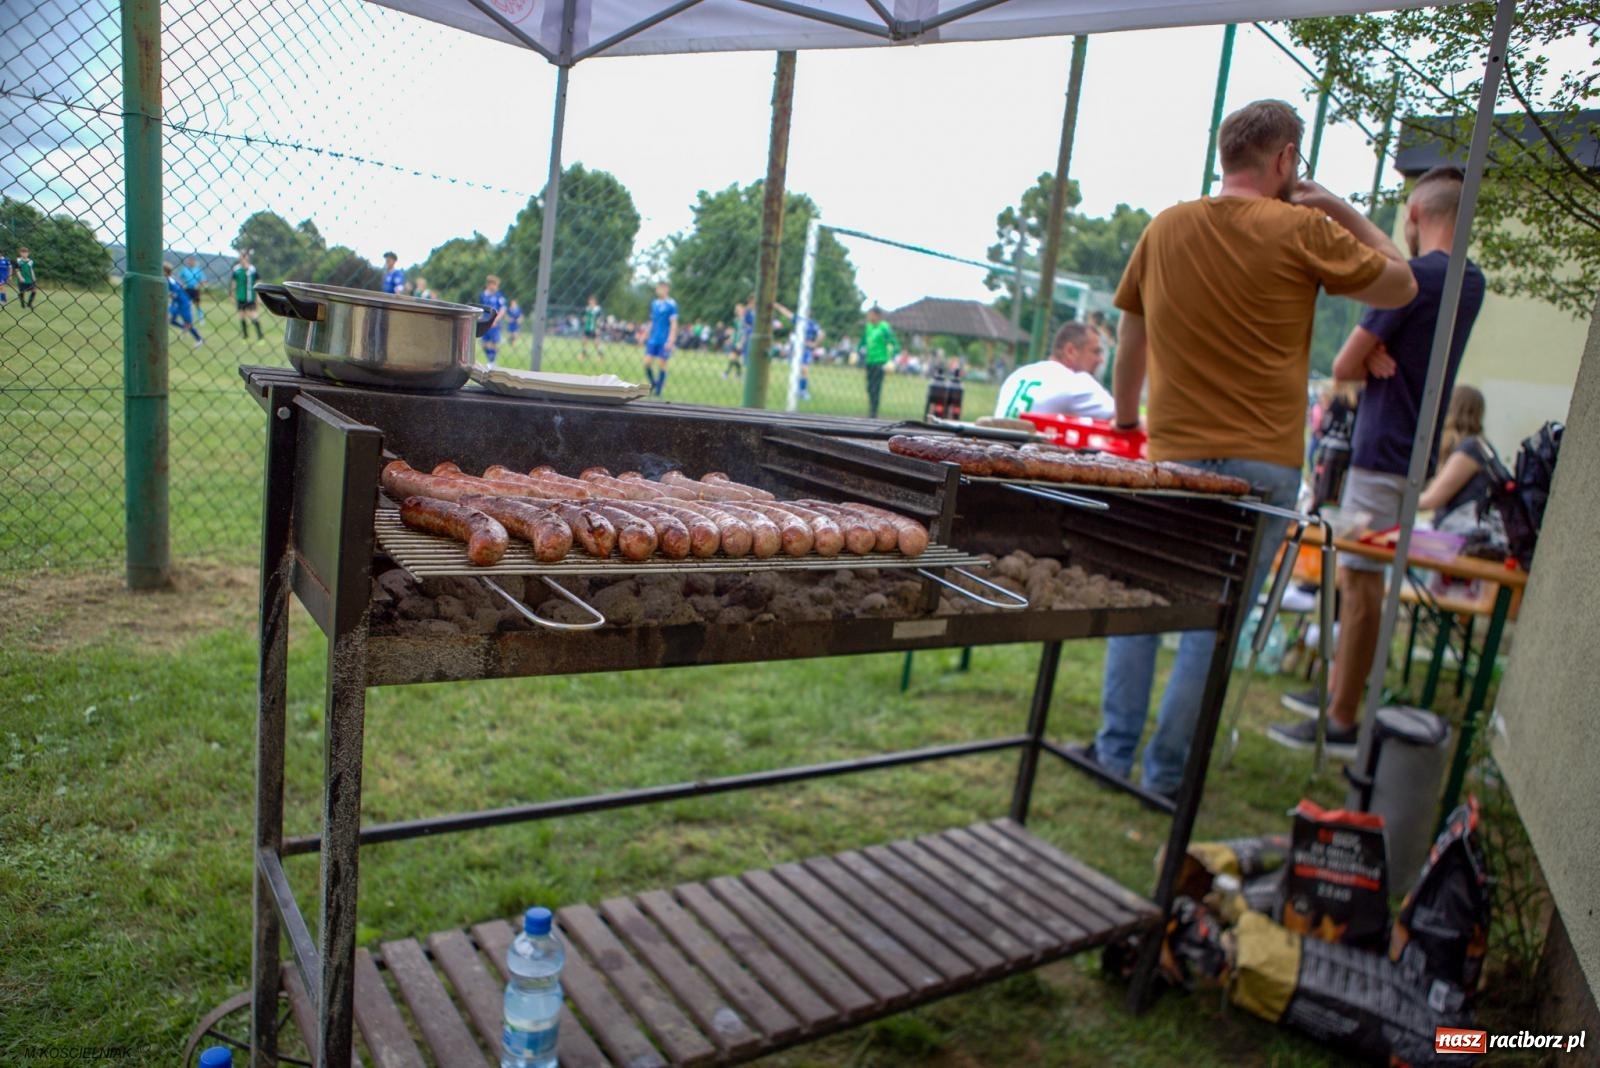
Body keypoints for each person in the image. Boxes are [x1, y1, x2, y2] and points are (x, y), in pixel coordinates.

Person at [1082, 99, 1417, 797]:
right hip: (1263, 463)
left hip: (1170, 456)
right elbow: (1403, 281)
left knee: (1144, 602)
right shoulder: (1301, 228)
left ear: (1225, 156)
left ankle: (1113, 754)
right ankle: (1166, 774)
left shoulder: (1165, 227)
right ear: (1286, 159)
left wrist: (1123, 425)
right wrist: (1340, 209)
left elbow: (1131, 346)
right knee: (1215, 621)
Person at [1270, 165, 1485, 757]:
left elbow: (1343, 365)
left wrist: (1367, 358)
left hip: (1382, 444)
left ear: (1415, 216)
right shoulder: (1471, 281)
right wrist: (1374, 356)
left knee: (1358, 585)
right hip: (1409, 445)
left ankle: (1340, 717)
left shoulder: (1416, 279)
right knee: (1361, 581)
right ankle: (1337, 694)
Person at [994, 321, 1114, 421]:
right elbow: (1124, 420)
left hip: (997, 447)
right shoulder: (1075, 383)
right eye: (1096, 352)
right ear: (1070, 351)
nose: (1101, 360)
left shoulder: (1017, 376)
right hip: (1033, 449)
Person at [860, 306, 900, 419]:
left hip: (880, 361)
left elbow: (894, 343)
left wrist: (891, 358)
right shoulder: (868, 327)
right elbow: (863, 341)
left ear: (877, 316)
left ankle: (873, 411)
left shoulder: (884, 327)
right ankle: (871, 408)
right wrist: (858, 350)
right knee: (869, 387)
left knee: (876, 387)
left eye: (870, 314)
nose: (868, 317)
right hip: (870, 361)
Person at [643, 281, 677, 396]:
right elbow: (652, 321)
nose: (657, 290)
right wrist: (646, 333)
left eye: (660, 288)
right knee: (647, 362)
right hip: (654, 339)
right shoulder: (655, 303)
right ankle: (653, 383)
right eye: (657, 288)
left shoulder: (671, 304)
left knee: (662, 364)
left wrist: (671, 339)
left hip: (664, 339)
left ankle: (658, 390)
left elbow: (673, 323)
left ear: (666, 289)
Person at [163, 262, 203, 346]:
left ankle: (199, 339)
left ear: (166, 272)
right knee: (169, 319)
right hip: (176, 303)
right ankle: (183, 327)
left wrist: (167, 294)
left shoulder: (171, 281)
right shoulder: (167, 280)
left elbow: (175, 293)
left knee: (188, 323)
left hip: (183, 303)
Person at [233, 252, 264, 340]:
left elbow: (259, 281)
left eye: (244, 258)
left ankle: (260, 335)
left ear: (247, 259)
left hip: (251, 297)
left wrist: (259, 296)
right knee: (242, 316)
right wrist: (232, 294)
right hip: (240, 297)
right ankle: (245, 335)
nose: (243, 260)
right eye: (241, 258)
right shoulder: (237, 269)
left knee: (254, 315)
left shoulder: (252, 270)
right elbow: (234, 282)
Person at [478, 275, 507, 366]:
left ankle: (492, 361)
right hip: (485, 321)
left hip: (494, 323)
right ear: (489, 284)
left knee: (494, 342)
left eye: (496, 285)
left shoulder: (499, 295)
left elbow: (502, 309)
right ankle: (491, 360)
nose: (495, 287)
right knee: (484, 343)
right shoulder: (483, 295)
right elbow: (481, 308)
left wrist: (495, 319)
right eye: (494, 285)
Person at [724, 300, 747, 378]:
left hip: (740, 341)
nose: (738, 311)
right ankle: (739, 374)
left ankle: (726, 373)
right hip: (735, 341)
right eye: (737, 310)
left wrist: (741, 342)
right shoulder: (736, 320)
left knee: (732, 357)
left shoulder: (745, 320)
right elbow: (735, 331)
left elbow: (744, 332)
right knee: (733, 358)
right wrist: (730, 338)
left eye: (740, 310)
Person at [580, 295, 604, 360]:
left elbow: (600, 318)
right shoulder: (587, 308)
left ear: (595, 302)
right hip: (587, 328)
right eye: (590, 301)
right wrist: (584, 319)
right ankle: (583, 355)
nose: (590, 302)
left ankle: (601, 356)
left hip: (594, 328)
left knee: (596, 343)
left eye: (592, 301)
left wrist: (598, 328)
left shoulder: (598, 309)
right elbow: (583, 316)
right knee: (584, 341)